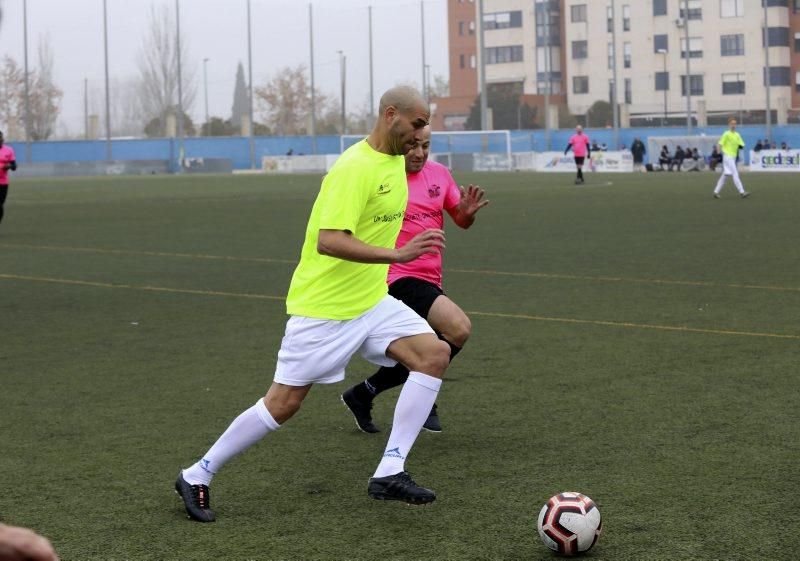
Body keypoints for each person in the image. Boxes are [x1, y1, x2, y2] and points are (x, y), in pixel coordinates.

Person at [175, 87, 450, 523]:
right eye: (417, 123)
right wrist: (398, 256)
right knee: (282, 404)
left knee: (434, 353)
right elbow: (329, 240)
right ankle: (197, 474)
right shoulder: (353, 168)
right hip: (324, 309)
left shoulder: (397, 162)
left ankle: (390, 470)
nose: (424, 131)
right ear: (390, 114)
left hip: (372, 301)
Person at [341, 125, 488, 435]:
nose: (419, 153)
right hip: (394, 275)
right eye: (413, 146)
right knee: (457, 328)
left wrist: (467, 213)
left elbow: (459, 220)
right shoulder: (382, 176)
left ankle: (365, 392)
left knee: (433, 347)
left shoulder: (439, 174)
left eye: (426, 146)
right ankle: (421, 396)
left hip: (430, 278)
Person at [713, 117, 749, 199]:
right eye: (732, 124)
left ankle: (716, 192)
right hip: (727, 157)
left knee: (725, 175)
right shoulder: (726, 134)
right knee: (735, 173)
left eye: (735, 124)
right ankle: (742, 192)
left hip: (733, 157)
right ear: (729, 125)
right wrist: (718, 152)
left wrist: (740, 146)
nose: (734, 125)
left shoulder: (737, 135)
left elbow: (741, 145)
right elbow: (720, 143)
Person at [0, 130, 17, 226]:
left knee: (0, 206)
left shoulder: (9, 150)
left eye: (1, 138)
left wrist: (9, 166)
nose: (1, 140)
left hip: (3, 183)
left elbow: (14, 166)